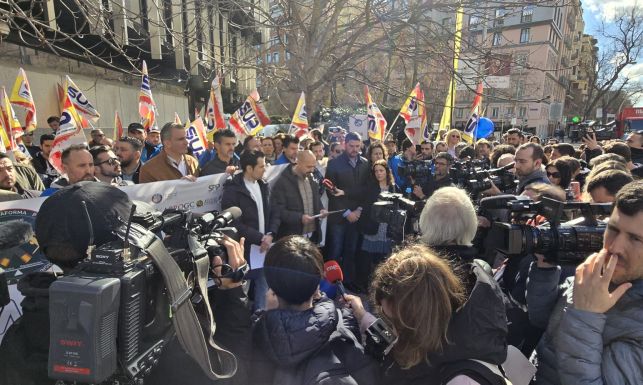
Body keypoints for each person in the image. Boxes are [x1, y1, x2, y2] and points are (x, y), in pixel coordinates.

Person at [526, 180, 643, 385]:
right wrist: (545, 270)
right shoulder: (599, 274)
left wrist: (586, 315)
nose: (615, 247)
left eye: (636, 239)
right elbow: (543, 320)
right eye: (613, 229)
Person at [346, 243, 508, 385]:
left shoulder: (464, 380)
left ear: (414, 320)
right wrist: (362, 316)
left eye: (392, 321)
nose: (393, 329)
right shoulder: (440, 331)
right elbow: (393, 343)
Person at [250, 235, 380, 385]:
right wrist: (362, 316)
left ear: (271, 285)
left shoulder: (251, 334)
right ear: (317, 285)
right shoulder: (342, 328)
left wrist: (268, 315)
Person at [220, 150, 278, 310]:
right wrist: (260, 237)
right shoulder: (232, 190)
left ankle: (260, 318)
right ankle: (242, 324)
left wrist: (270, 234)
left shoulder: (264, 185)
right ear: (249, 168)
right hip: (243, 250)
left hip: (264, 247)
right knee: (242, 288)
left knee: (263, 285)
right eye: (261, 166)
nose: (264, 169)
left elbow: (274, 211)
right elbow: (234, 223)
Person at [325, 132, 370, 288]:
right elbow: (331, 192)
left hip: (356, 215)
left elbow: (365, 190)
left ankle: (349, 283)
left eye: (358, 146)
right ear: (345, 144)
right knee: (335, 252)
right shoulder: (334, 164)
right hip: (338, 217)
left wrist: (358, 210)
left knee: (351, 251)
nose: (354, 149)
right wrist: (346, 213)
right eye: (351, 146)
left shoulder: (365, 163)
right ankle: (331, 285)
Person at [270, 150, 326, 242]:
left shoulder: (311, 178)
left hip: (312, 235)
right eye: (308, 166)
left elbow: (316, 199)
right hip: (292, 237)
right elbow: (278, 211)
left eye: (314, 166)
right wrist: (299, 217)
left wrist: (321, 209)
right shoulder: (282, 182)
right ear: (298, 162)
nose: (312, 170)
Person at [357, 159, 396, 289]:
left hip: (386, 229)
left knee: (383, 260)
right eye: (376, 171)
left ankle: (380, 286)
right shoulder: (371, 187)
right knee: (366, 260)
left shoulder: (394, 187)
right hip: (372, 227)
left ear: (387, 171)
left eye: (381, 170)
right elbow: (365, 206)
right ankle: (364, 285)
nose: (378, 174)